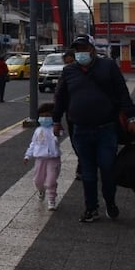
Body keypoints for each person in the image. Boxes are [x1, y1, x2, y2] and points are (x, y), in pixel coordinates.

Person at [52, 34, 135, 222]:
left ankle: (110, 201)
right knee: (88, 172)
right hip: (81, 130)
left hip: (106, 129)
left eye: (83, 48)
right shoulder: (69, 71)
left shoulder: (108, 66)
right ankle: (91, 208)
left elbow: (122, 94)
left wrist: (132, 117)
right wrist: (56, 121)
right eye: (77, 49)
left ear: (92, 49)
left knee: (108, 169)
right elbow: (60, 98)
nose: (80, 53)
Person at [24, 102, 61, 210]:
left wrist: (57, 130)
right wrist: (27, 155)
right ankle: (41, 190)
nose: (44, 118)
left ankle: (51, 200)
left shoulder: (55, 129)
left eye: (47, 116)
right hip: (40, 159)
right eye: (42, 116)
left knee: (51, 180)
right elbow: (33, 144)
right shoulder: (38, 130)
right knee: (38, 180)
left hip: (53, 159)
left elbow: (60, 134)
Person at [55, 48, 81, 180]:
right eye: (67, 63)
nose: (69, 65)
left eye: (72, 62)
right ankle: (82, 162)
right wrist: (56, 120)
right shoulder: (66, 75)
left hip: (90, 115)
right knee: (75, 142)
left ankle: (83, 166)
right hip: (72, 115)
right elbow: (59, 97)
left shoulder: (86, 73)